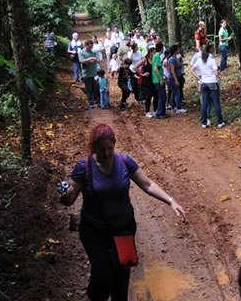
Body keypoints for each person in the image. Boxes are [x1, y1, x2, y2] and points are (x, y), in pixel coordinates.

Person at [59, 123, 186, 301]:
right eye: (101, 149)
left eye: (109, 148)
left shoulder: (125, 161)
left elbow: (148, 185)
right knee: (102, 272)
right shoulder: (84, 167)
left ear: (114, 145)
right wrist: (66, 195)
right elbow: (68, 200)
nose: (106, 153)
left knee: (121, 276)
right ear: (93, 147)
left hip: (124, 229)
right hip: (94, 230)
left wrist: (171, 200)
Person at [190, 44, 224, 128]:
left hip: (204, 83)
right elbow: (216, 72)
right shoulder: (212, 60)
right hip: (212, 82)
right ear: (210, 51)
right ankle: (219, 122)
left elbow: (191, 70)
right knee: (216, 103)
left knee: (204, 103)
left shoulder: (199, 60)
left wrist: (199, 79)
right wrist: (218, 75)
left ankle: (204, 122)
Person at [134, 46, 157, 118]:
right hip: (147, 81)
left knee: (156, 95)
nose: (155, 53)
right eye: (153, 52)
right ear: (150, 52)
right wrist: (142, 74)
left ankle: (155, 111)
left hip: (154, 79)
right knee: (148, 96)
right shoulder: (145, 60)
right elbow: (135, 67)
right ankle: (147, 111)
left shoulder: (155, 59)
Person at [79, 40, 101, 109]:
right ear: (86, 45)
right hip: (86, 74)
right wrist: (91, 59)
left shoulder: (94, 51)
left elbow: (98, 60)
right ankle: (91, 103)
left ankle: (98, 101)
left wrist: (89, 61)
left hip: (95, 73)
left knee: (96, 88)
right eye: (89, 46)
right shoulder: (81, 52)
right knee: (89, 89)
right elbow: (82, 61)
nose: (91, 47)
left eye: (92, 46)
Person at [166, 45, 186, 113]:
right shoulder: (172, 59)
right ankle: (178, 107)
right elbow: (172, 70)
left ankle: (173, 106)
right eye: (177, 49)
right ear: (175, 50)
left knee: (174, 92)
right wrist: (176, 79)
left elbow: (178, 65)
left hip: (177, 77)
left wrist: (183, 64)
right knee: (177, 92)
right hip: (173, 78)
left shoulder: (175, 58)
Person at [152, 42, 169, 118]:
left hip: (158, 79)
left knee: (163, 97)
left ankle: (162, 112)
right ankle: (159, 113)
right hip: (158, 80)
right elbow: (156, 68)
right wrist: (160, 79)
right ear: (162, 49)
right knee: (161, 97)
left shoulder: (155, 56)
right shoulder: (157, 56)